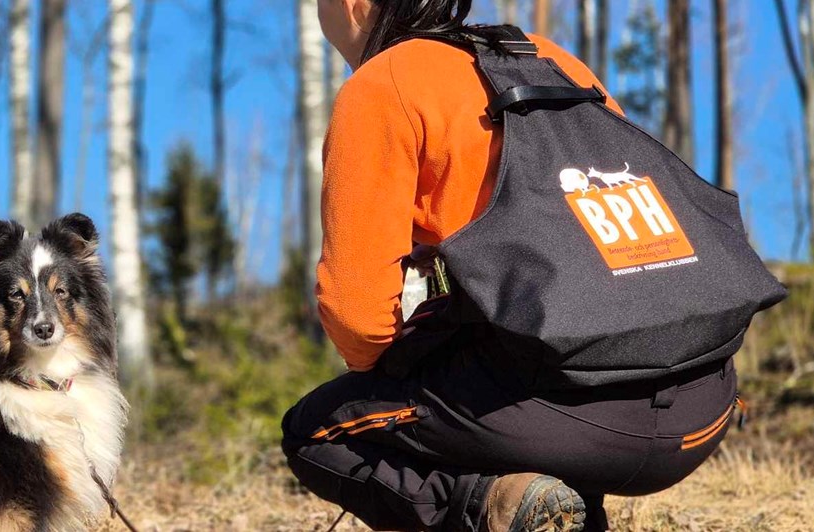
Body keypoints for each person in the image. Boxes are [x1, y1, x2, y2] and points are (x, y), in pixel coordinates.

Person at [281, 2, 741, 531]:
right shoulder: (546, 57)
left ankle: (492, 505)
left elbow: (356, 316)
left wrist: (406, 361)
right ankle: (559, 511)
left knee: (315, 429)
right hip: (707, 405)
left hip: (571, 421)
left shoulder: (384, 83)